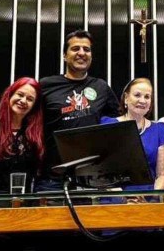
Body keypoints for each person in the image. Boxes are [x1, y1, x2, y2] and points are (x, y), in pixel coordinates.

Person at [37, 29, 119, 191]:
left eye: (86, 49)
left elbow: (117, 125)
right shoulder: (46, 85)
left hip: (89, 179)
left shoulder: (101, 87)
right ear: (64, 55)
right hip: (51, 179)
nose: (82, 53)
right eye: (75, 49)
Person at [0, 77, 44, 195]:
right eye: (20, 94)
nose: (23, 101)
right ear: (10, 95)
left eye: (30, 99)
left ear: (34, 106)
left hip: (21, 203)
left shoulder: (35, 134)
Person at [101, 78, 164, 190]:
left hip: (147, 201)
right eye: (137, 95)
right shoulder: (108, 125)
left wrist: (150, 197)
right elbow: (104, 171)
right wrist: (124, 198)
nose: (142, 100)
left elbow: (162, 175)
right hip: (114, 199)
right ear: (126, 98)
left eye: (147, 97)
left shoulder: (159, 130)